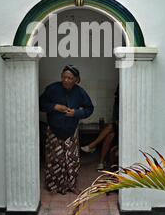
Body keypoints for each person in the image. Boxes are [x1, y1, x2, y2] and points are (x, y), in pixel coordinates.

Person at [39, 65, 94, 195]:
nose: (66, 80)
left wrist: (76, 113)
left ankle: (72, 185)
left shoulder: (80, 92)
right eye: (64, 77)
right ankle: (53, 186)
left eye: (70, 78)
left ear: (76, 79)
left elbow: (89, 109)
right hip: (53, 130)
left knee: (72, 160)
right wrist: (55, 106)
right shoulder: (52, 89)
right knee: (54, 160)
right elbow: (40, 104)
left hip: (71, 131)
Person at [81, 84, 119, 170]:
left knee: (110, 127)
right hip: (117, 129)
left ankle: (92, 145)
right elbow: (115, 118)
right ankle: (101, 163)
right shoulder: (117, 103)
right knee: (110, 135)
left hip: (124, 129)